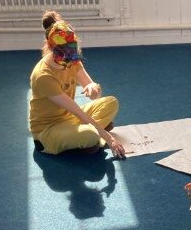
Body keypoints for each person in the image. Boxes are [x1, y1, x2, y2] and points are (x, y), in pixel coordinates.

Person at [29, 11, 125, 158]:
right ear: (51, 48)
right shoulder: (43, 76)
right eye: (66, 54)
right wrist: (109, 138)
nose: (70, 59)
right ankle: (90, 137)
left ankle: (86, 138)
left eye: (72, 53)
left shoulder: (71, 60)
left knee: (111, 102)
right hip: (48, 130)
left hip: (69, 118)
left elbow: (93, 92)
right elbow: (78, 112)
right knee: (91, 134)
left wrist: (93, 88)